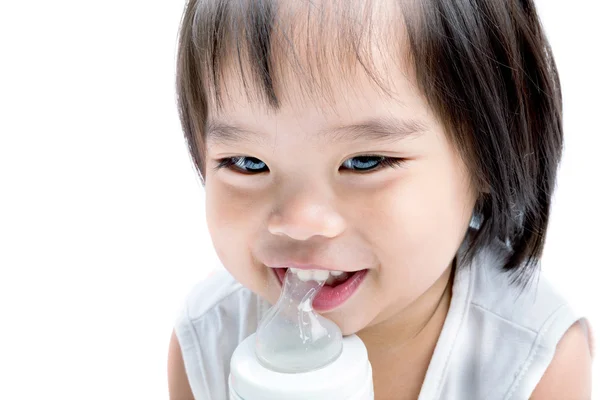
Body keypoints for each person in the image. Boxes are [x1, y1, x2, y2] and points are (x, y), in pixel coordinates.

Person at [167, 0, 593, 398]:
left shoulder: (532, 363)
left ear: (488, 153)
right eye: (247, 162)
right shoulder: (206, 342)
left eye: (365, 161)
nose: (299, 221)